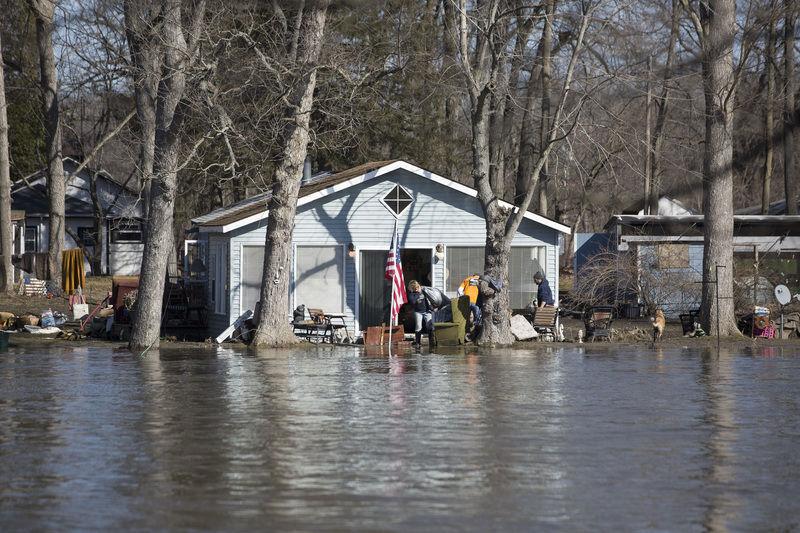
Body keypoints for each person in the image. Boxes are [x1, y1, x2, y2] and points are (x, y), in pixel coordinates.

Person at [407, 280, 436, 347]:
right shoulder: (412, 294)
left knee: (429, 325)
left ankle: (431, 342)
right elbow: (413, 302)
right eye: (415, 288)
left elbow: (431, 298)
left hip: (427, 311)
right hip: (418, 312)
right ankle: (418, 342)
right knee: (418, 326)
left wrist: (432, 307)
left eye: (417, 287)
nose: (417, 289)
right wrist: (418, 295)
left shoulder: (424, 291)